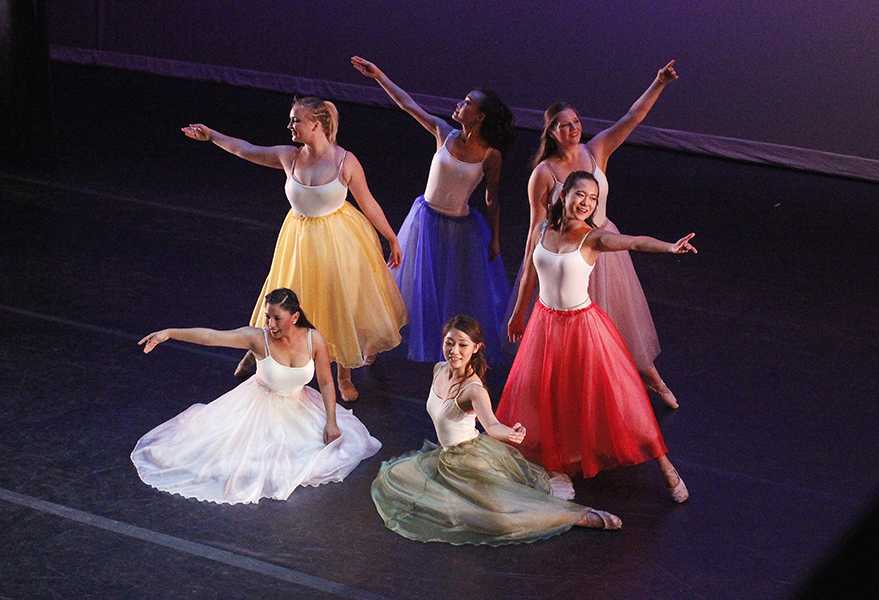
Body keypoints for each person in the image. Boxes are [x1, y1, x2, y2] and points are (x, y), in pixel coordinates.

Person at [182, 96, 407, 401]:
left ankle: (343, 374)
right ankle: (260, 348)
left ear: (316, 124)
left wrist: (391, 237)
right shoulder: (290, 156)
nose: (290, 125)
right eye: (290, 120)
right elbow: (246, 150)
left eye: (295, 120)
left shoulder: (345, 161)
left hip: (337, 240)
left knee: (337, 301)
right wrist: (212, 136)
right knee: (282, 292)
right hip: (299, 237)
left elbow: (368, 203)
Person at [500, 171, 694, 502]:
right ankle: (556, 464)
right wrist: (519, 313)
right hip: (545, 326)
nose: (586, 203)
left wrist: (669, 247)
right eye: (581, 195)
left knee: (619, 399)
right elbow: (529, 276)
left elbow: (631, 241)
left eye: (592, 199)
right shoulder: (542, 229)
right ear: (564, 195)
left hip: (583, 327)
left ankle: (665, 466)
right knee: (545, 396)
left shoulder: (592, 239)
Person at [511, 60, 681, 407]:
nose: (573, 130)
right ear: (551, 133)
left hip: (602, 245)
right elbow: (535, 232)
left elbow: (632, 118)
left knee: (622, 325)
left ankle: (654, 381)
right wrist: (520, 306)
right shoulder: (543, 174)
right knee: (578, 337)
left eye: (575, 123)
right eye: (563, 126)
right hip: (566, 254)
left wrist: (659, 82)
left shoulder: (596, 149)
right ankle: (593, 398)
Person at [371, 314, 622, 546]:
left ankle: (577, 516)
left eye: (462, 345)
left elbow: (491, 424)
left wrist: (510, 433)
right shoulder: (439, 369)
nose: (454, 351)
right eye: (449, 343)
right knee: (397, 479)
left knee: (499, 517)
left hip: (470, 459)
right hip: (446, 458)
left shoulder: (473, 389)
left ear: (476, 348)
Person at [131, 288, 381, 505]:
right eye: (268, 317)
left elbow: (326, 382)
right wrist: (170, 332)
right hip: (258, 408)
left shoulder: (313, 339)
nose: (271, 324)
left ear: (294, 317)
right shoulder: (257, 339)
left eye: (277, 318)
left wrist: (331, 420)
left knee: (330, 451)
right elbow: (212, 336)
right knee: (245, 463)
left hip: (300, 408)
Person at [351, 56, 512, 364]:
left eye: (467, 103)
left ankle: (463, 355)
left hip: (461, 229)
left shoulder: (491, 155)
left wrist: (495, 238)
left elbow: (492, 198)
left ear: (479, 117)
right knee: (399, 284)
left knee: (455, 292)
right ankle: (374, 344)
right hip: (424, 221)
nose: (459, 105)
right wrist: (379, 76)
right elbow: (408, 104)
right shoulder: (444, 133)